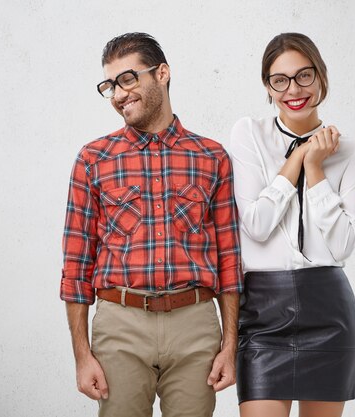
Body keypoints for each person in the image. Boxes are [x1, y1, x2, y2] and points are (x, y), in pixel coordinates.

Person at [60, 32, 243, 417]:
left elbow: (229, 259)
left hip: (195, 325)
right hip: (119, 324)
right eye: (110, 85)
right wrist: (82, 355)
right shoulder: (93, 159)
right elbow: (76, 266)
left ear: (162, 73)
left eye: (128, 79)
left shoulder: (212, 158)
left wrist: (230, 344)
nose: (118, 94)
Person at [229, 33, 355, 417]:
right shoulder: (249, 135)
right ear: (268, 86)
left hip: (327, 308)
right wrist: (297, 162)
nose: (294, 89)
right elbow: (256, 225)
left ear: (321, 77)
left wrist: (316, 169)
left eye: (304, 76)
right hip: (262, 312)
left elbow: (342, 246)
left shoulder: (353, 152)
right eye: (280, 80)